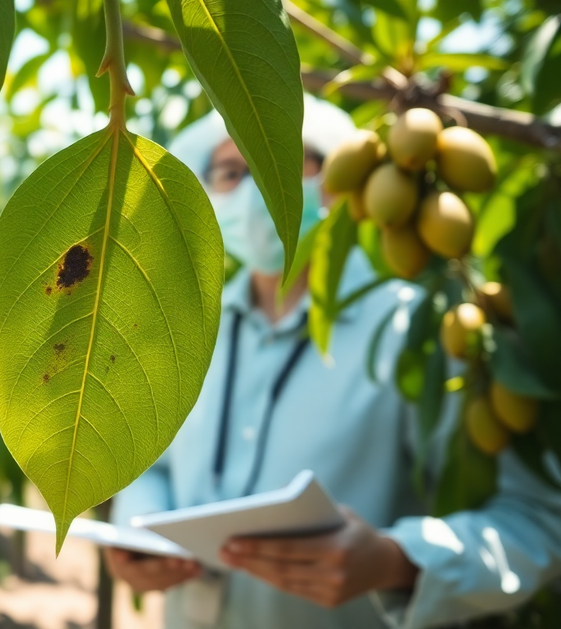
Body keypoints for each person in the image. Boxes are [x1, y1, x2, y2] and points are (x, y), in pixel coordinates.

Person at [105, 96, 561, 629]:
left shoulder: (415, 334)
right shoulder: (180, 327)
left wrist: (399, 562)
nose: (254, 189)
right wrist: (134, 530)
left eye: (279, 161)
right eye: (230, 171)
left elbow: (536, 521)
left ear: (336, 182)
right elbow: (152, 466)